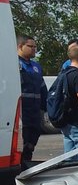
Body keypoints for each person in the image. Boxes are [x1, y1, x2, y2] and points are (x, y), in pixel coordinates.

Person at [17, 35, 48, 168]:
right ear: (20, 46)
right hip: (21, 111)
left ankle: (26, 162)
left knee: (32, 139)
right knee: (20, 142)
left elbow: (42, 88)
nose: (34, 49)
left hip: (35, 111)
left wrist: (46, 107)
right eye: (31, 46)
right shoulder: (13, 64)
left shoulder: (36, 66)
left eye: (35, 46)